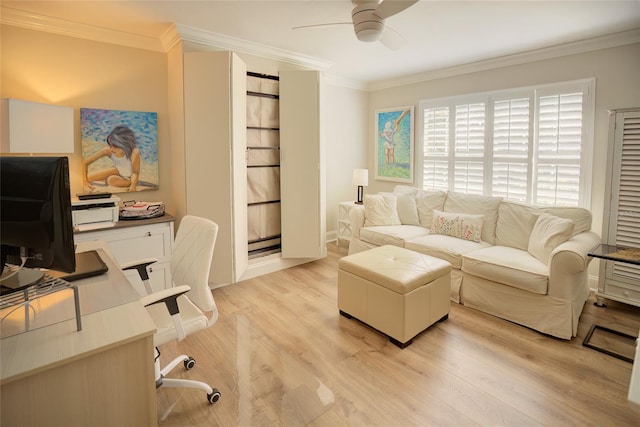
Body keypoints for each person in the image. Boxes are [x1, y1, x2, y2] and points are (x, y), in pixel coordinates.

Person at [82, 125, 141, 192]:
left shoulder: (134, 152)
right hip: (116, 171)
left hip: (127, 178)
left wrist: (132, 185)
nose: (111, 148)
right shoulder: (108, 151)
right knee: (88, 177)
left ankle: (116, 180)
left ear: (125, 145)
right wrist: (84, 182)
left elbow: (135, 172)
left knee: (111, 180)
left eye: (115, 146)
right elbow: (85, 162)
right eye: (110, 145)